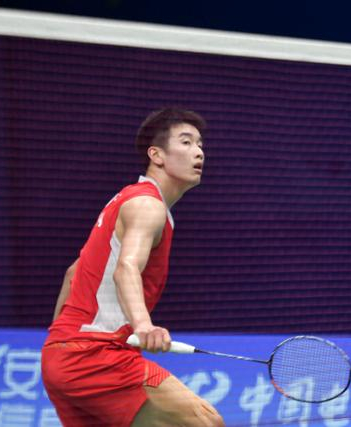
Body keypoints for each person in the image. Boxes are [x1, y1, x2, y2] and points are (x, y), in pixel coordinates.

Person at [41, 108, 225, 427]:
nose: (199, 152)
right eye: (186, 142)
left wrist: (60, 345)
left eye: (200, 144)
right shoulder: (147, 205)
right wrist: (144, 326)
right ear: (156, 155)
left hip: (61, 355)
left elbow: (73, 274)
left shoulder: (126, 200)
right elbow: (126, 268)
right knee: (205, 423)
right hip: (97, 356)